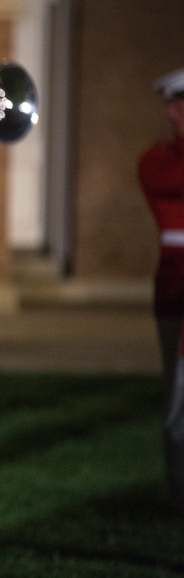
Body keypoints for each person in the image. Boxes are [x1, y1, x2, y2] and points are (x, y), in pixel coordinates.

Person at [138, 66, 184, 513]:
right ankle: (179, 493)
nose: (174, 112)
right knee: (177, 398)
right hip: (175, 289)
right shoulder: (157, 161)